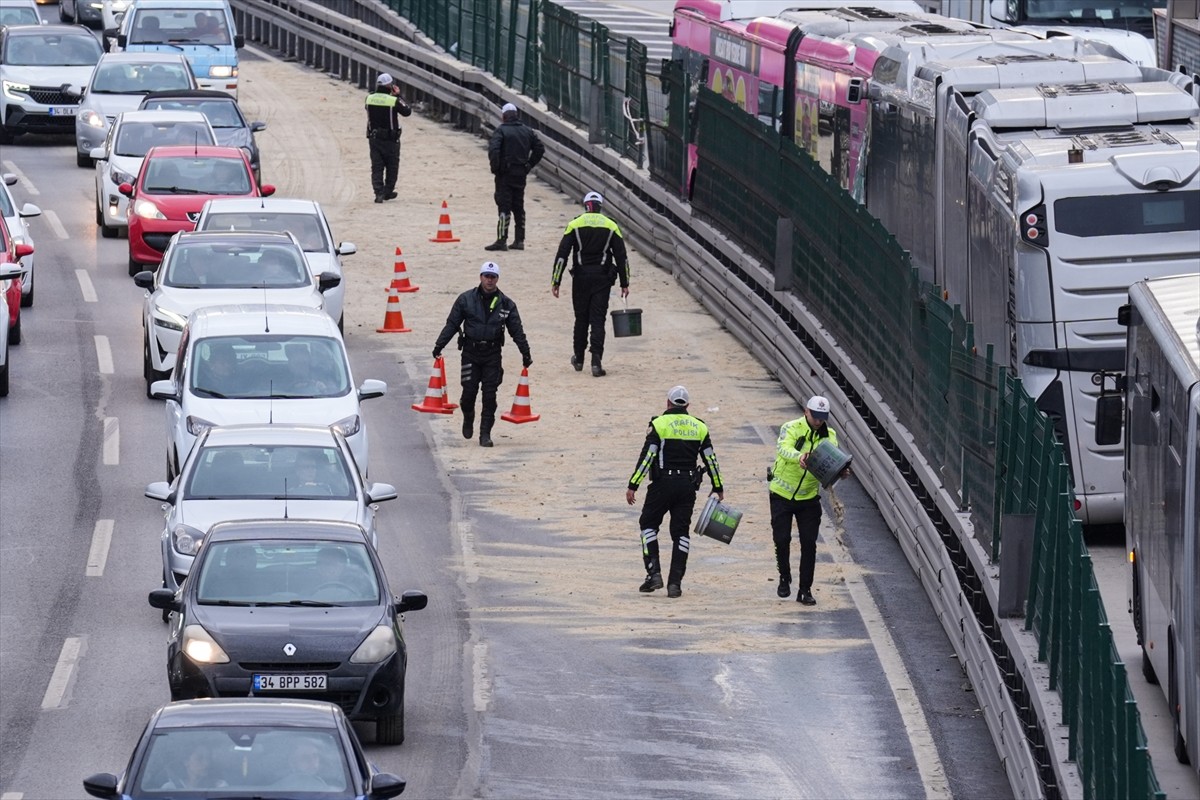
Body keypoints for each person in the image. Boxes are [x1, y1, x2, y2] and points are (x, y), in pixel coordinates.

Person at [625, 385, 724, 598]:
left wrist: (634, 484)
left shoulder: (659, 424)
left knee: (648, 525)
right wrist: (718, 487)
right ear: (687, 405)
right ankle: (675, 584)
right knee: (681, 533)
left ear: (668, 403)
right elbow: (711, 459)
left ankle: (654, 574)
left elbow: (648, 457)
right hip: (687, 486)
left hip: (662, 484)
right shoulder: (700, 427)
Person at [432, 261, 533, 448]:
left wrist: (525, 352)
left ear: (497, 279)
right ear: (480, 277)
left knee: (490, 396)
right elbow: (452, 324)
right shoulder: (465, 299)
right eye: (487, 276)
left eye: (493, 277)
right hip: (470, 353)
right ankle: (468, 415)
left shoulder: (506, 304)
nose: (489, 280)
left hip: (493, 355)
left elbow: (517, 331)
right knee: (468, 394)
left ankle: (485, 434)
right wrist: (439, 345)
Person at [769, 395, 841, 606]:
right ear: (806, 412)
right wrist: (799, 457)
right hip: (781, 494)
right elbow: (783, 448)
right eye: (815, 416)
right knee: (781, 539)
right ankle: (784, 576)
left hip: (809, 497)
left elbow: (831, 461)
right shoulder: (791, 427)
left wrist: (841, 471)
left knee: (809, 544)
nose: (818, 421)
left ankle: (805, 589)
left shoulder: (830, 436)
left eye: (822, 417)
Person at [551, 191, 630, 377]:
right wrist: (625, 283)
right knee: (598, 320)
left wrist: (556, 280)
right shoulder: (611, 226)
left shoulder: (575, 224)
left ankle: (579, 359)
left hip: (580, 278)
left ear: (585, 205)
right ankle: (596, 361)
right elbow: (622, 257)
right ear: (600, 206)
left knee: (581, 319)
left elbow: (562, 255)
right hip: (602, 280)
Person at [485, 103, 544, 251]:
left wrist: (496, 169)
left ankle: (501, 240)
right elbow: (540, 148)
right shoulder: (527, 131)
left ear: (504, 117)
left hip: (505, 175)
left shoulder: (501, 130)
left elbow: (494, 150)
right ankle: (519, 240)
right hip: (520, 174)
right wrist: (529, 165)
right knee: (518, 206)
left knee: (504, 206)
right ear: (516, 115)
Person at [364, 73, 411, 204]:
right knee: (392, 167)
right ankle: (387, 191)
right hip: (391, 139)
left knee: (377, 167)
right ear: (390, 85)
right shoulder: (393, 100)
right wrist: (398, 96)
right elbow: (407, 111)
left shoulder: (369, 98)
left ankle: (378, 193)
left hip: (374, 139)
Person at [159, 743, 227, 790]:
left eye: (208, 758)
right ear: (186, 761)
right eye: (200, 758)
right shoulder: (170, 789)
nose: (206, 763)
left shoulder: (220, 787)